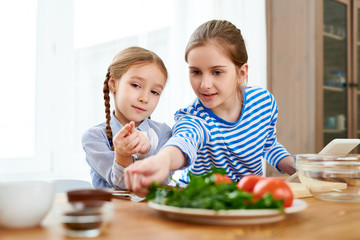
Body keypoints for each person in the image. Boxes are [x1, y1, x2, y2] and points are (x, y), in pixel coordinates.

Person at [124, 20, 296, 196]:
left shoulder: (263, 103)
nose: (205, 85)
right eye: (196, 72)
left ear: (241, 73)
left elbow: (268, 145)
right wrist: (162, 161)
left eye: (217, 72)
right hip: (199, 203)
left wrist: (299, 168)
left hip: (246, 202)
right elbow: (183, 141)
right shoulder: (194, 118)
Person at [82, 46, 172, 189]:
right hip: (114, 211)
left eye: (154, 92)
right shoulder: (94, 137)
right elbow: (123, 184)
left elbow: (161, 182)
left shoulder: (163, 133)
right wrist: (122, 155)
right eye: (136, 85)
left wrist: (146, 152)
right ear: (113, 83)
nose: (144, 98)